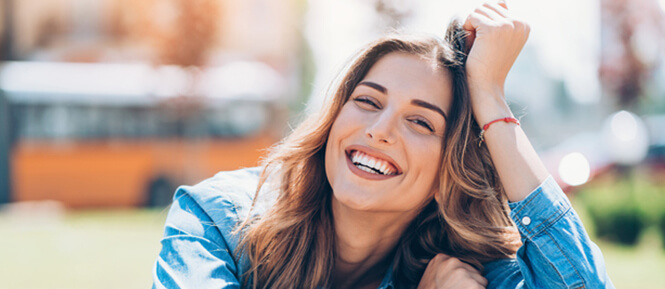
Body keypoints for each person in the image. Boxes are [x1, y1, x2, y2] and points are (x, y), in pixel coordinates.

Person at [152, 2, 614, 288]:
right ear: (333, 122)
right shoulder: (217, 218)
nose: (380, 129)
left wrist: (490, 97)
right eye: (368, 101)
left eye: (420, 121)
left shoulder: (459, 270)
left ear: (446, 175)